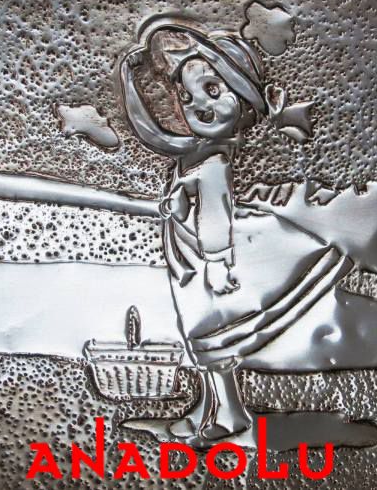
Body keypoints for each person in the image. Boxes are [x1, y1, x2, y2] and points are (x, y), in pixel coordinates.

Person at [118, 22, 351, 441]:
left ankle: (228, 415)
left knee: (212, 337)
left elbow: (215, 216)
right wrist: (128, 80)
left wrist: (216, 262)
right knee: (200, 338)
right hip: (187, 259)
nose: (199, 106)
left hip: (205, 260)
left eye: (213, 90)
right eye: (187, 97)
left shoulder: (214, 163)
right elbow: (150, 132)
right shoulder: (194, 151)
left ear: (244, 102)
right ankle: (207, 408)